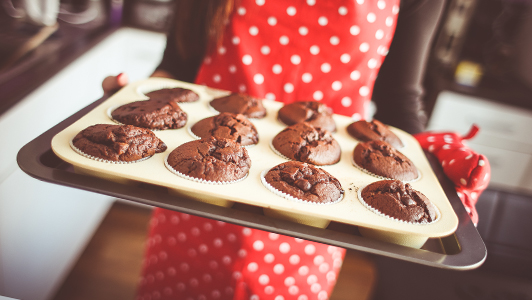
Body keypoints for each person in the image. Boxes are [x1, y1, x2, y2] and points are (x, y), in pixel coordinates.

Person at [103, 1, 445, 299]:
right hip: (197, 186)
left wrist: (436, 163)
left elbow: (399, 106)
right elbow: (178, 66)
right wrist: (135, 103)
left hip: (313, 206)